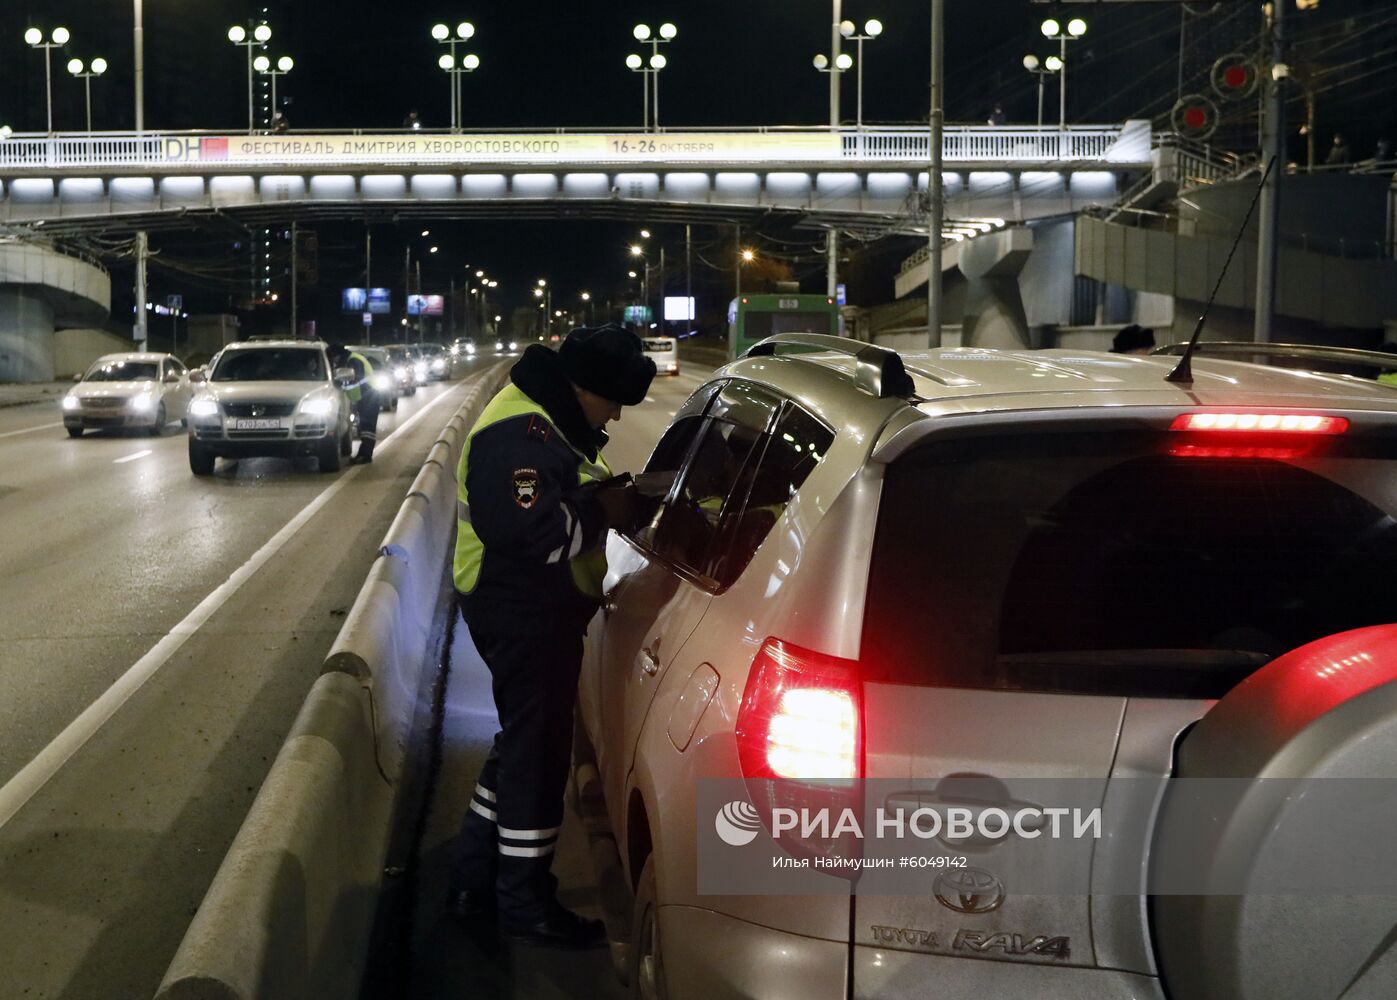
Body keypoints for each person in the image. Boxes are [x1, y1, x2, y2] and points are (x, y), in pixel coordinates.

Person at [449, 325, 655, 948]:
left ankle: (474, 875)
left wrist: (601, 498)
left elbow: (553, 502)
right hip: (520, 611)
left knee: (522, 743)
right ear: (582, 388)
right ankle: (524, 903)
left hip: (526, 609)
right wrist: (605, 514)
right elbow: (536, 534)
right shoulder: (521, 434)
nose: (617, 414)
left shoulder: (546, 420)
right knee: (538, 761)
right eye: (612, 399)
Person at [327, 342, 378, 463]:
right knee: (365, 428)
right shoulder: (352, 359)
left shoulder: (354, 360)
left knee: (367, 429)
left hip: (369, 397)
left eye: (334, 358)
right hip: (365, 397)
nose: (334, 361)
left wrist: (339, 383)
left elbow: (354, 380)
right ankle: (364, 454)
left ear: (338, 355)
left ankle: (365, 456)